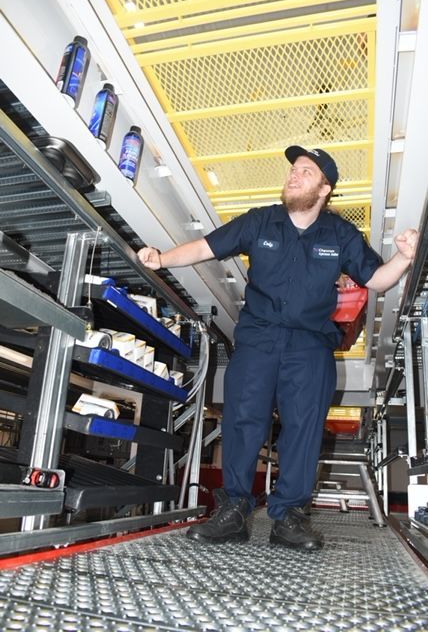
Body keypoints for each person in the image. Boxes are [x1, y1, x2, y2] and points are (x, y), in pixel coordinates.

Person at [138, 145, 418, 551]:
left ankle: (289, 516)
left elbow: (376, 279)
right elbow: (205, 247)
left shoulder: (340, 234)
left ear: (325, 188)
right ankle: (233, 509)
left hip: (310, 345)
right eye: (293, 170)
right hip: (258, 337)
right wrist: (163, 259)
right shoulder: (261, 221)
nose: (294, 175)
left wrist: (404, 258)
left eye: (306, 171)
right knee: (242, 418)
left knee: (303, 427)